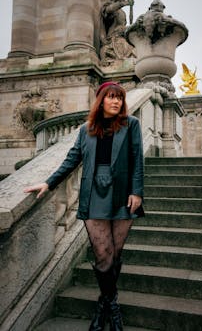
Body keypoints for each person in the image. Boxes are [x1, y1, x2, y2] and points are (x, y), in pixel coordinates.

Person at [24, 81, 144, 331]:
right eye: (111, 97)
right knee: (103, 254)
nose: (116, 102)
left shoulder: (131, 125)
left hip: (122, 193)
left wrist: (137, 191)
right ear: (101, 100)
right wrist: (49, 183)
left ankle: (105, 304)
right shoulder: (86, 129)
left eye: (119, 98)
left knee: (115, 254)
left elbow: (137, 159)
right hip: (94, 193)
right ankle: (111, 306)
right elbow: (72, 159)